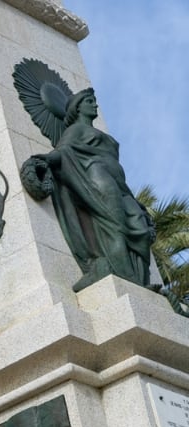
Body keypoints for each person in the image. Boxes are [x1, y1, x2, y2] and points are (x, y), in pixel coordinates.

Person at [30, 88, 154, 291]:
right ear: (78, 108)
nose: (95, 104)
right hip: (98, 180)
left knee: (139, 227)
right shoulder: (75, 131)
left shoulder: (100, 134)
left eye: (94, 101)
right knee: (116, 228)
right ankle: (129, 281)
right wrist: (44, 160)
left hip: (121, 187)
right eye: (89, 101)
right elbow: (63, 152)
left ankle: (140, 278)